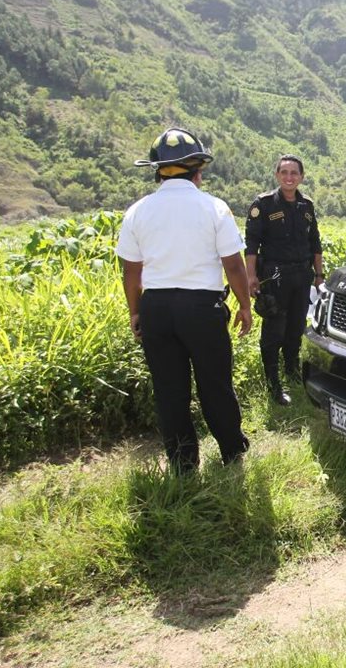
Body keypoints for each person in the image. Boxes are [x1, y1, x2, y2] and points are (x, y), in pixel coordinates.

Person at [116, 128, 252, 473]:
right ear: (198, 171)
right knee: (215, 384)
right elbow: (234, 265)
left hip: (156, 309)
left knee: (169, 389)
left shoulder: (137, 211)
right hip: (201, 309)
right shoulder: (214, 208)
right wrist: (245, 306)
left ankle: (183, 464)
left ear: (158, 170)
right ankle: (232, 453)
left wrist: (135, 312)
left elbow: (131, 273)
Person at [245, 154, 324, 406]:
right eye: (284, 172)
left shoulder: (306, 206)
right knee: (273, 330)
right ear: (277, 175)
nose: (289, 177)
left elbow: (315, 243)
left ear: (301, 177)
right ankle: (273, 385)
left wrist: (319, 275)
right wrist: (250, 276)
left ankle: (291, 372)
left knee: (296, 327)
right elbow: (252, 245)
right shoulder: (264, 204)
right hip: (275, 275)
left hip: (302, 275)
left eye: (294, 173)